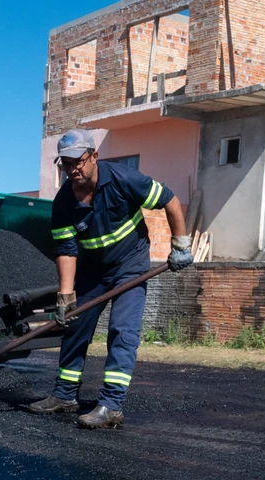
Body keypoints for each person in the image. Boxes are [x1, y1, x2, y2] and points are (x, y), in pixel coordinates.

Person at [28, 129, 191, 429]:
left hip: (131, 264)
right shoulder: (63, 204)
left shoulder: (124, 179)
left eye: (78, 160)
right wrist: (65, 299)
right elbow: (66, 250)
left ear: (93, 157)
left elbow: (170, 200)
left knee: (122, 330)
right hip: (94, 269)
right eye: (66, 163)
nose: (73, 168)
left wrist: (180, 245)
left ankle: (111, 405)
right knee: (75, 325)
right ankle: (65, 395)